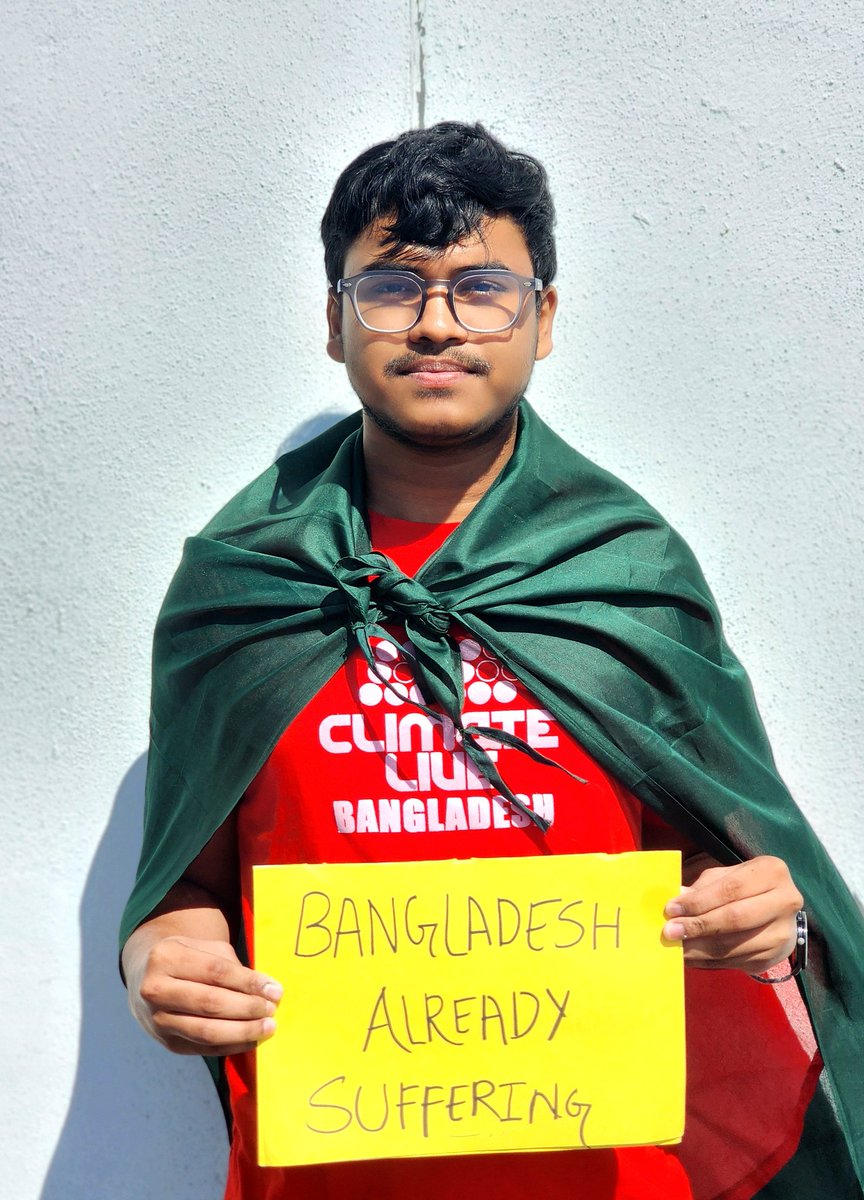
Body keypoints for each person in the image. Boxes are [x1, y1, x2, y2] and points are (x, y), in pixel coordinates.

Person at [120, 122, 863, 1200]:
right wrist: (163, 964)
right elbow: (185, 882)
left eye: (482, 288)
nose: (435, 325)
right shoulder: (242, 587)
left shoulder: (623, 571)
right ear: (334, 322)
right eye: (391, 287)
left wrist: (751, 909)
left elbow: (713, 853)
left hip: (609, 1175)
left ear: (543, 318)